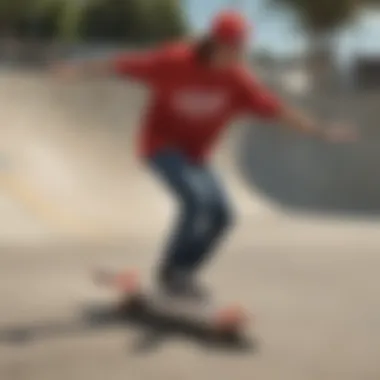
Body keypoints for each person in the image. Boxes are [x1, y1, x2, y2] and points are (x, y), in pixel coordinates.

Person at [53, 10, 355, 299]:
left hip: (197, 156)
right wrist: (77, 70)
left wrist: (321, 130)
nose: (238, 57)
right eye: (233, 50)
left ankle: (184, 274)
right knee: (197, 202)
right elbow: (120, 64)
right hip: (161, 147)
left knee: (224, 216)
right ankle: (170, 273)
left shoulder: (238, 80)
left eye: (242, 50)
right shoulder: (173, 61)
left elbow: (278, 110)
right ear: (216, 44)